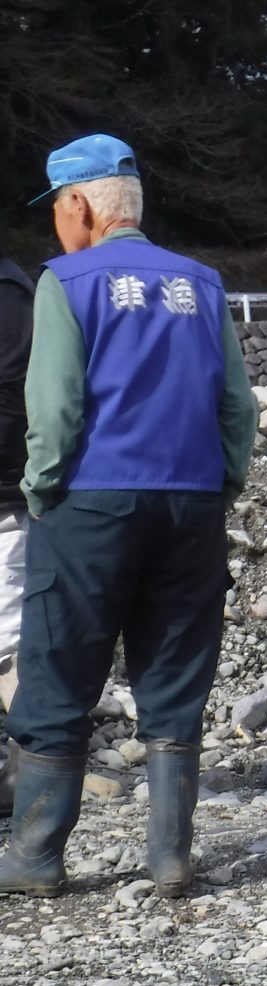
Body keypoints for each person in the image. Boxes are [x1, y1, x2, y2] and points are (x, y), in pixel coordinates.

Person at [0, 134, 257, 899]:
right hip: (191, 502)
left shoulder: (66, 282)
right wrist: (221, 485)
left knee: (59, 672)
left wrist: (43, 490)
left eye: (56, 209)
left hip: (91, 502)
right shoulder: (201, 284)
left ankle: (38, 856)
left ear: (79, 205)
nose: (55, 223)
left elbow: (52, 410)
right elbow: (236, 406)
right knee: (176, 669)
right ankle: (171, 858)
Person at [0, 243, 32, 814]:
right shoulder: (20, 290)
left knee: (8, 653)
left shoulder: (10, 295)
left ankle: (30, 790)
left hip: (5, 499)